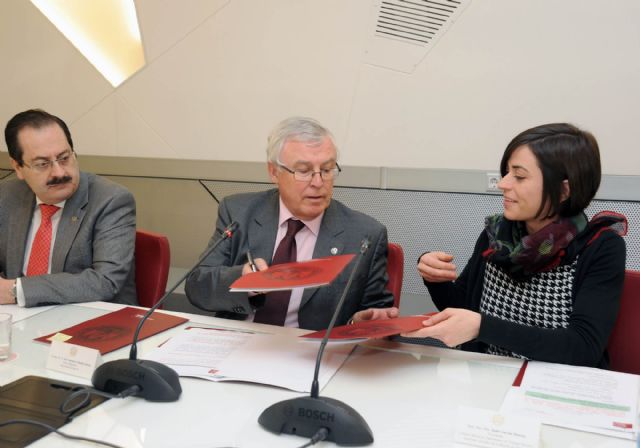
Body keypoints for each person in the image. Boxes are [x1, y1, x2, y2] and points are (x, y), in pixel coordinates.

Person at [407, 123, 626, 368]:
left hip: (554, 390)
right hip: (487, 381)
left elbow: (582, 347)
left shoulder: (600, 246)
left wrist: (483, 327)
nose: (503, 184)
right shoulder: (497, 235)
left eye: (519, 176)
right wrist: (434, 276)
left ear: (563, 191)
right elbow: (463, 308)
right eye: (507, 172)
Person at [185, 116, 396, 330]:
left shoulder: (364, 234)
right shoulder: (238, 212)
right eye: (303, 171)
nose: (318, 182)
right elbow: (197, 286)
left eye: (326, 170)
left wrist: (358, 323)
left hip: (312, 354)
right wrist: (243, 280)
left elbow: (375, 314)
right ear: (274, 171)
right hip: (239, 344)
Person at [0, 109, 137, 307]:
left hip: (91, 322)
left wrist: (17, 290)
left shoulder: (111, 200)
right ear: (18, 167)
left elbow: (105, 281)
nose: (59, 172)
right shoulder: (6, 196)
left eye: (64, 158)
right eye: (42, 164)